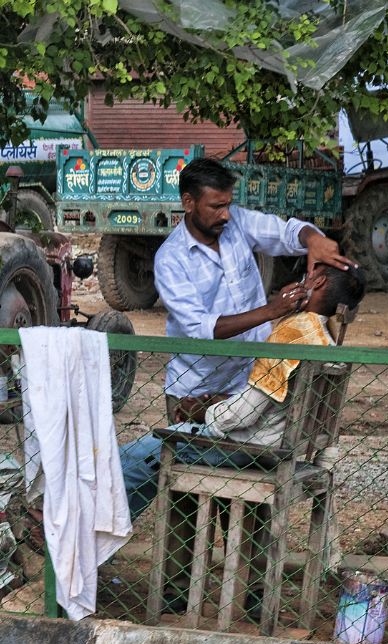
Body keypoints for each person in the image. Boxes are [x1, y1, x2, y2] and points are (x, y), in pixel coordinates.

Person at [122, 263, 366, 616]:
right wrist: (218, 403)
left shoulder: (294, 331)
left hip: (250, 449)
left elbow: (244, 415)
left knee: (138, 455)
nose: (301, 276)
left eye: (308, 273)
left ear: (318, 281)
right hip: (283, 447)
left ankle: (93, 530)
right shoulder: (326, 336)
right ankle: (248, 596)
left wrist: (203, 413)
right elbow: (269, 403)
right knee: (167, 449)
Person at [155, 156, 356, 425]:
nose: (226, 214)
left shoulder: (237, 222)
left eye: (228, 204)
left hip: (250, 381)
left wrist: (312, 238)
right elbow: (200, 329)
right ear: (189, 202)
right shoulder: (170, 259)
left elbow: (285, 232)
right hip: (198, 390)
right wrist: (272, 310)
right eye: (216, 207)